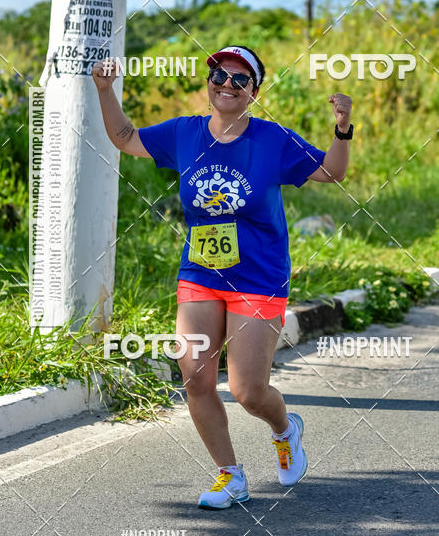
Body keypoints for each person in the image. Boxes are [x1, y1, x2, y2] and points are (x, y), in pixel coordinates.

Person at [92, 45, 353, 509]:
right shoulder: (184, 133)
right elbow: (125, 137)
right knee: (194, 375)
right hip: (201, 272)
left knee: (248, 391)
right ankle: (230, 475)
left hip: (258, 277)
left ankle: (284, 428)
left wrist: (342, 128)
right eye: (219, 75)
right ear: (209, 82)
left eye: (239, 79)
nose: (226, 85)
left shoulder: (272, 140)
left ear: (253, 92)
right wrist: (104, 89)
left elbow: (331, 173)